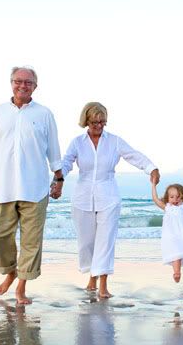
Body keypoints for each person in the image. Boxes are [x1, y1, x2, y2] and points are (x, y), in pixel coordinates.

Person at [0, 66, 63, 305]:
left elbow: (54, 150)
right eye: (18, 81)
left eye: (28, 82)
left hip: (35, 188)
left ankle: (21, 287)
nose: (22, 85)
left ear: (35, 86)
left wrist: (59, 179)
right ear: (11, 83)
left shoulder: (44, 114)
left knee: (31, 242)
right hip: (3, 187)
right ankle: (11, 271)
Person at [60, 102, 159, 299]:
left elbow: (133, 155)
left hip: (109, 195)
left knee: (105, 241)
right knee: (86, 242)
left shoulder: (114, 141)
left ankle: (103, 283)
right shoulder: (77, 142)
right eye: (94, 122)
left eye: (102, 122)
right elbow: (66, 162)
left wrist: (151, 168)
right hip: (82, 196)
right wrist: (58, 180)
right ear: (86, 121)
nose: (99, 126)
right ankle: (92, 276)